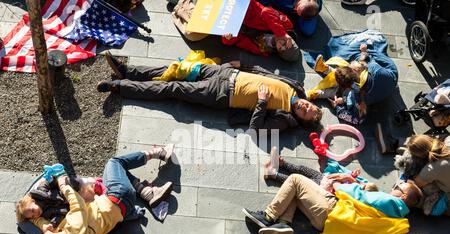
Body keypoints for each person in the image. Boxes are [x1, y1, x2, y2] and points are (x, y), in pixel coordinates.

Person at [31, 147, 174, 234]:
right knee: (115, 163)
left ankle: (147, 193)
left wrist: (35, 219)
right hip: (118, 196)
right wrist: (63, 185)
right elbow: (77, 204)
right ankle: (158, 153)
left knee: (117, 173)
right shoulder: (71, 233)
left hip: (121, 209)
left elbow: (46, 226)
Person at [97, 52, 323, 132]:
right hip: (224, 73)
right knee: (177, 69)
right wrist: (242, 66)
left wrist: (262, 102)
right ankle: (126, 70)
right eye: (309, 107)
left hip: (221, 93)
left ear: (301, 120)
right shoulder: (297, 88)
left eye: (305, 113)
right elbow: (266, 75)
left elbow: (256, 128)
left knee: (173, 87)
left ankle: (120, 87)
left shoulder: (284, 120)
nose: (304, 107)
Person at [242, 172, 422, 234]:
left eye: (399, 187)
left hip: (332, 210)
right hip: (329, 226)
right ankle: (283, 224)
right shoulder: (398, 221)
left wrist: (336, 184)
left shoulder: (389, 201)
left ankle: (268, 216)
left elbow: (357, 196)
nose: (395, 187)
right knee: (299, 193)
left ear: (404, 196)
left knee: (296, 180)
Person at [263, 146, 378, 193]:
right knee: (302, 169)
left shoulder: (353, 189)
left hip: (321, 184)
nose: (361, 183)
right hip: (322, 179)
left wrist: (331, 177)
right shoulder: (356, 184)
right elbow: (348, 178)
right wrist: (354, 175)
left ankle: (273, 174)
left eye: (363, 185)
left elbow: (340, 178)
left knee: (296, 179)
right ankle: (283, 164)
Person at [221, 0, 300, 62]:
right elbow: (266, 11)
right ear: (290, 40)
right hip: (245, 6)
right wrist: (282, 33)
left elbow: (240, 42)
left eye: (280, 48)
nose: (280, 43)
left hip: (230, 20)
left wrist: (229, 36)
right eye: (284, 43)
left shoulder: (263, 50)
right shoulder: (286, 25)